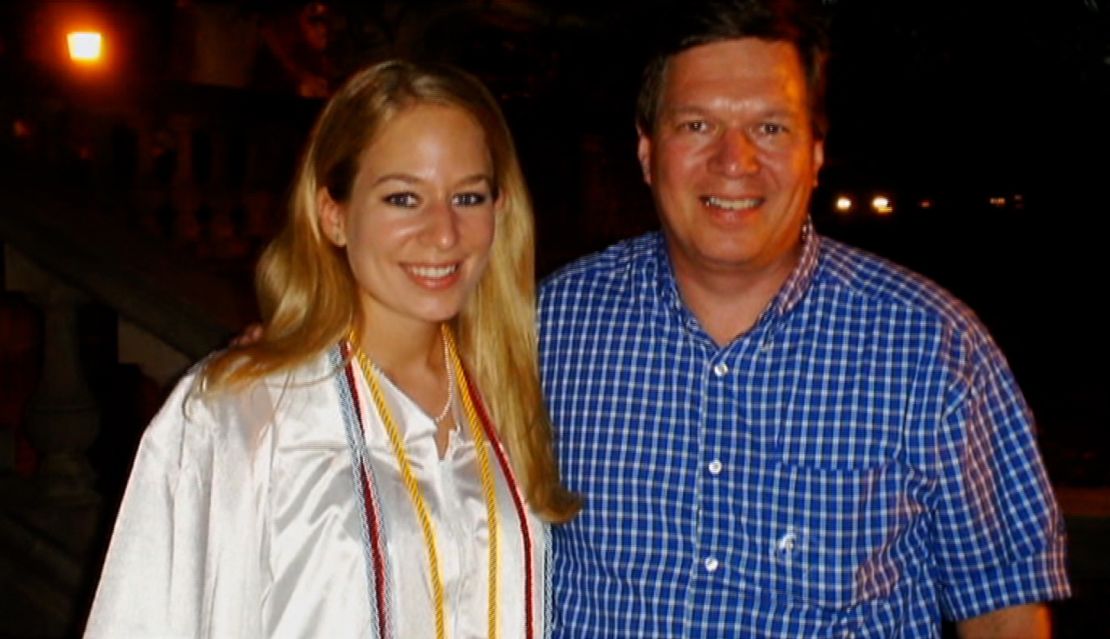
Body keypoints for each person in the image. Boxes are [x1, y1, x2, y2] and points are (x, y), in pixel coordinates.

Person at [538, 1, 1070, 636]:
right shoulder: (547, 329)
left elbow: (1005, 616)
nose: (734, 161)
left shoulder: (934, 347)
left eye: (771, 128)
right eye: (697, 125)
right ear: (648, 153)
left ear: (816, 154)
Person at [85, 59, 578, 638]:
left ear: (501, 210)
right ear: (333, 214)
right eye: (402, 198)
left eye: (468, 198)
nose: (444, 233)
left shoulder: (509, 396)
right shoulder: (245, 413)